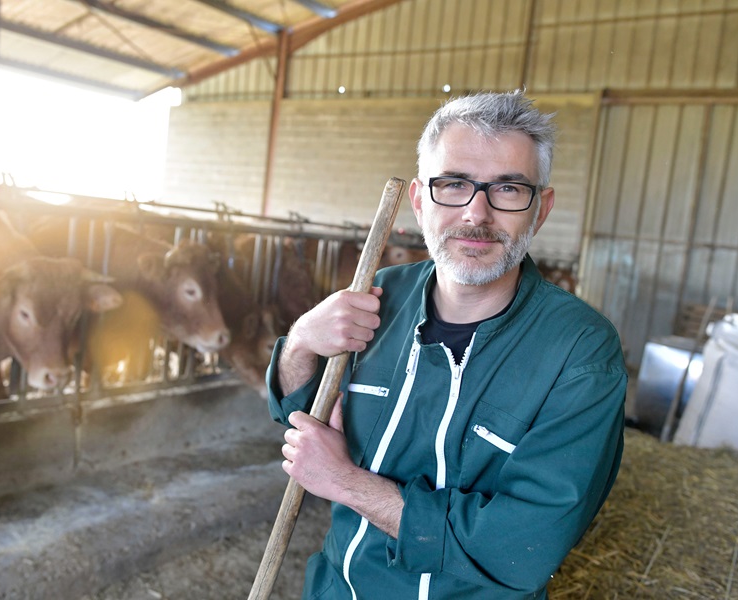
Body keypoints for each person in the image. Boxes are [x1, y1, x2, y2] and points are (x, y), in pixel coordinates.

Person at [266, 89, 626, 599]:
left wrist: (346, 483)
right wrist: (301, 343)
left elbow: (520, 547)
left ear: (540, 210)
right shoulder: (378, 296)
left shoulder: (580, 352)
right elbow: (301, 417)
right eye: (453, 184)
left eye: (508, 189)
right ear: (418, 200)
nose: (476, 214)